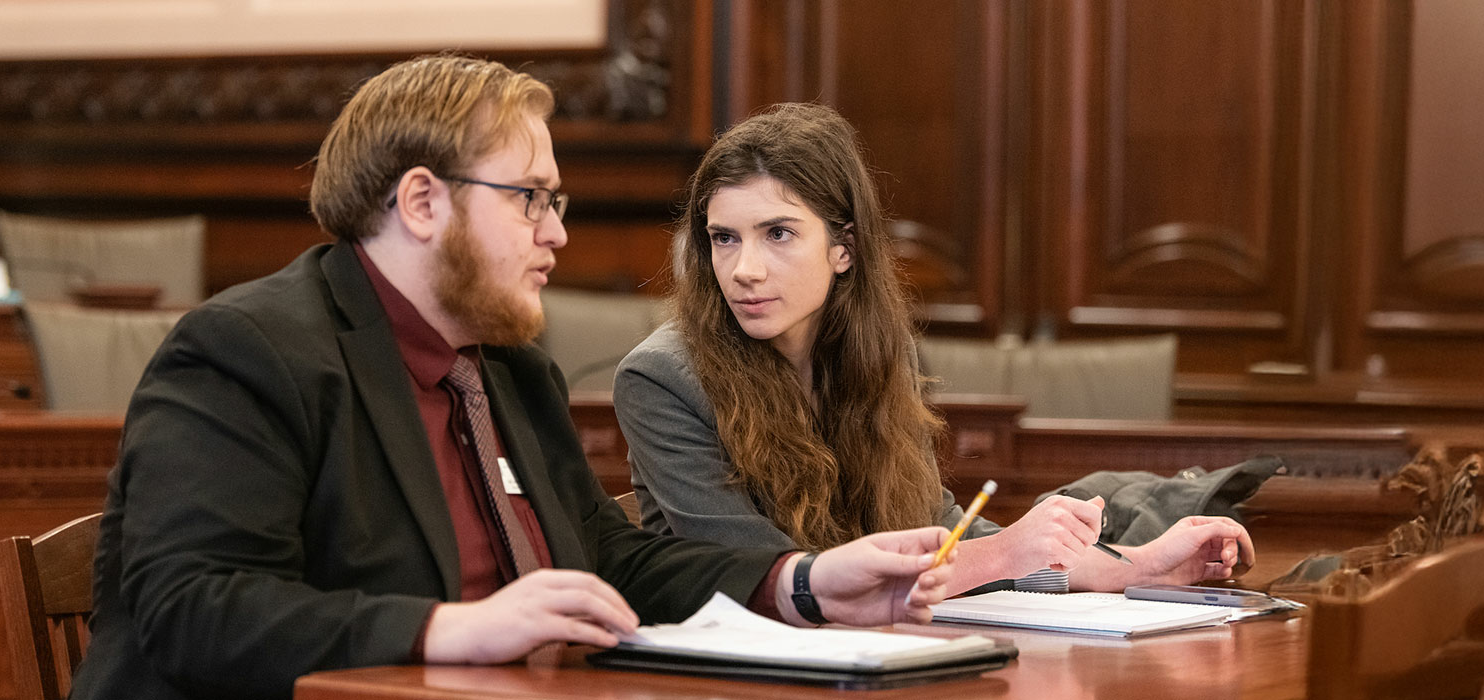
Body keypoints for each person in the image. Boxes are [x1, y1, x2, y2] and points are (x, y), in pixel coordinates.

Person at [72, 58, 963, 700]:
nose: (557, 233)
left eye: (556, 201)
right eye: (530, 198)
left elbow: (606, 560)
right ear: (423, 203)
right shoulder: (247, 350)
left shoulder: (506, 368)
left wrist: (800, 583)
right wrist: (451, 629)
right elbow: (194, 609)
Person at [614, 102, 1254, 596]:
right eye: (724, 239)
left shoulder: (872, 354)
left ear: (846, 249)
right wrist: (1006, 553)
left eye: (777, 233)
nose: (744, 269)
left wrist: (1135, 567)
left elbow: (942, 523)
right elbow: (768, 575)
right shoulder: (662, 377)